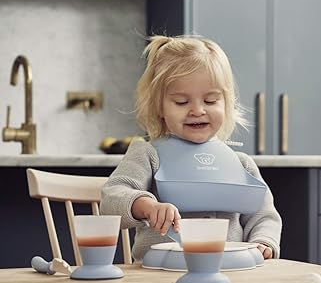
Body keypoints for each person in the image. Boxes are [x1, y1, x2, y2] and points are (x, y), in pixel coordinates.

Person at [101, 35, 281, 262]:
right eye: (181, 102)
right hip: (159, 274)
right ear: (159, 107)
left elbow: (265, 216)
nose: (197, 110)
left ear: (226, 103)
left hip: (230, 272)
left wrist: (264, 242)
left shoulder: (242, 164)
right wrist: (147, 206)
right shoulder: (148, 154)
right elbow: (112, 198)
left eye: (210, 100)